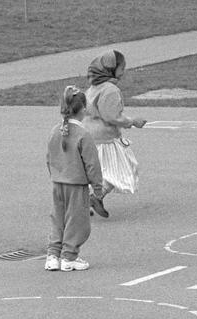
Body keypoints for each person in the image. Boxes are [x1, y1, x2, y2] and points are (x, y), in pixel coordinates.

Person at [45, 86, 104, 273]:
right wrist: (98, 187)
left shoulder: (55, 130)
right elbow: (92, 164)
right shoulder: (83, 134)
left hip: (58, 183)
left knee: (58, 218)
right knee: (78, 221)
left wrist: (55, 174)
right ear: (83, 110)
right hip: (76, 185)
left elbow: (49, 158)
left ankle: (53, 255)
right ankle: (69, 256)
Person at [82, 50, 146, 219]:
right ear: (111, 69)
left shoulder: (94, 87)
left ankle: (84, 200)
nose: (123, 72)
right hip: (105, 137)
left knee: (96, 171)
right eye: (122, 68)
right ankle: (95, 196)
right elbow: (111, 116)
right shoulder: (110, 90)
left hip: (89, 134)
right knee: (121, 168)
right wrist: (133, 121)